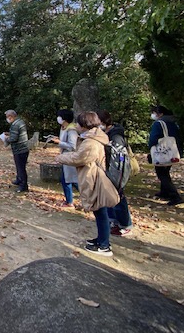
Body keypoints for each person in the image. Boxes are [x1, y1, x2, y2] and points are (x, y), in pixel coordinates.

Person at [56, 112, 120, 256]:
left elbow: (80, 158)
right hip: (94, 176)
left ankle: (104, 245)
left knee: (100, 212)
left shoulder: (91, 141)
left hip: (94, 178)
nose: (77, 126)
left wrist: (61, 157)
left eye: (78, 123)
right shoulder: (94, 136)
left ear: (85, 125)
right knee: (99, 212)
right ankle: (101, 240)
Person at [98, 110, 133, 236]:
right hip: (107, 171)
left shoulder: (116, 137)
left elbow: (120, 159)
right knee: (109, 198)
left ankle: (125, 224)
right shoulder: (105, 134)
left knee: (119, 199)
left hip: (116, 172)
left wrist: (117, 176)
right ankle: (113, 221)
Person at [148, 105, 184, 206]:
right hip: (172, 151)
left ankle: (174, 196)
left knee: (162, 173)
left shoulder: (158, 124)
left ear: (160, 114)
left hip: (161, 151)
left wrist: (150, 148)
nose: (153, 115)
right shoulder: (173, 122)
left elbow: (154, 138)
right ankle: (164, 192)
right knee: (165, 171)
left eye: (154, 113)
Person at [49, 109, 79, 207]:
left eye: (60, 116)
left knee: (71, 180)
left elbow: (72, 146)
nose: (58, 118)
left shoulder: (72, 130)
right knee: (66, 179)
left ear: (64, 118)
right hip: (65, 157)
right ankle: (69, 201)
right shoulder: (64, 128)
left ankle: (72, 201)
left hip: (70, 157)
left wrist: (59, 143)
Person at [3, 110, 29, 193]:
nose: (7, 119)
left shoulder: (15, 124)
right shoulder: (20, 122)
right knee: (20, 167)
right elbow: (16, 134)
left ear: (11, 116)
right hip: (23, 148)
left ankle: (23, 186)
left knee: (21, 168)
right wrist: (9, 133)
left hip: (20, 149)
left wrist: (6, 138)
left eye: (7, 117)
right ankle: (19, 180)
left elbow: (14, 138)